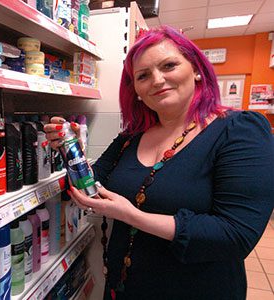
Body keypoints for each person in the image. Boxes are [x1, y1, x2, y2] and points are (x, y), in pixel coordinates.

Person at [44, 26, 274, 299]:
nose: (156, 80)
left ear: (197, 69)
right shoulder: (131, 137)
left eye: (169, 65)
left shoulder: (239, 131)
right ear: (137, 90)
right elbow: (91, 185)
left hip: (196, 290)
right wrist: (72, 152)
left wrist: (132, 216)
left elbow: (236, 235)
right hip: (126, 287)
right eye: (143, 76)